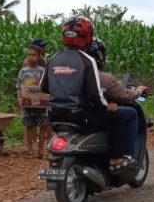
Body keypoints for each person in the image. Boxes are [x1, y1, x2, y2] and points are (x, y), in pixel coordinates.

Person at [41, 17, 136, 171]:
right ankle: (118, 159)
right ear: (88, 36)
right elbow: (94, 94)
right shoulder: (86, 60)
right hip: (79, 116)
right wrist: (105, 107)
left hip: (54, 116)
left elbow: (44, 87)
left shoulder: (53, 59)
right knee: (129, 114)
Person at [86, 37, 147, 159]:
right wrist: (138, 91)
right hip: (92, 115)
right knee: (131, 113)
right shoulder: (104, 78)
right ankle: (126, 156)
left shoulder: (72, 74)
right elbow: (124, 95)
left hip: (69, 115)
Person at [16, 45, 50, 158]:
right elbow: (19, 86)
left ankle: (40, 151)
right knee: (29, 126)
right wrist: (19, 98)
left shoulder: (43, 71)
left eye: (34, 55)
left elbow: (47, 87)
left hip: (41, 105)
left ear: (39, 57)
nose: (31, 57)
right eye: (29, 55)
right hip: (28, 104)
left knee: (43, 126)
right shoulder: (23, 72)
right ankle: (30, 150)